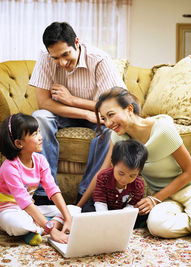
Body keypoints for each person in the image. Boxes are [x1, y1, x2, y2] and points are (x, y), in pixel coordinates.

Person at [78, 86, 191, 242]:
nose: (107, 123)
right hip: (166, 197)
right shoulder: (118, 139)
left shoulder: (163, 129)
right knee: (155, 226)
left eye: (111, 115)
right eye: (103, 118)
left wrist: (154, 199)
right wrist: (77, 208)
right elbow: (102, 172)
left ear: (129, 109)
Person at [29, 22, 126, 205]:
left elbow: (114, 105)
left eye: (66, 54)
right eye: (56, 58)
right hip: (64, 113)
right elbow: (44, 103)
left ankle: (86, 195)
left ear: (77, 42)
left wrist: (74, 100)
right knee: (40, 117)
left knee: (112, 131)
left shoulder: (99, 59)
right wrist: (84, 114)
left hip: (98, 114)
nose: (62, 63)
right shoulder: (44, 57)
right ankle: (44, 194)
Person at [0, 113, 74, 246]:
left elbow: (52, 189)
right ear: (18, 143)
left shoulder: (40, 160)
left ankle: (36, 229)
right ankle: (46, 225)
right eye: (34, 134)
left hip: (30, 210)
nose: (41, 137)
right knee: (17, 225)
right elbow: (24, 201)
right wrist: (52, 231)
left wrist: (68, 217)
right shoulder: (9, 167)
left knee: (74, 210)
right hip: (8, 210)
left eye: (39, 132)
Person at [93, 139, 147, 214]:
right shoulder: (103, 177)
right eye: (121, 173)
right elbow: (99, 200)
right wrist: (104, 217)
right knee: (87, 209)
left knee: (140, 214)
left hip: (122, 211)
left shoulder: (138, 185)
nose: (125, 179)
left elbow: (132, 204)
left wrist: (123, 214)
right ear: (112, 163)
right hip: (102, 206)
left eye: (132, 176)